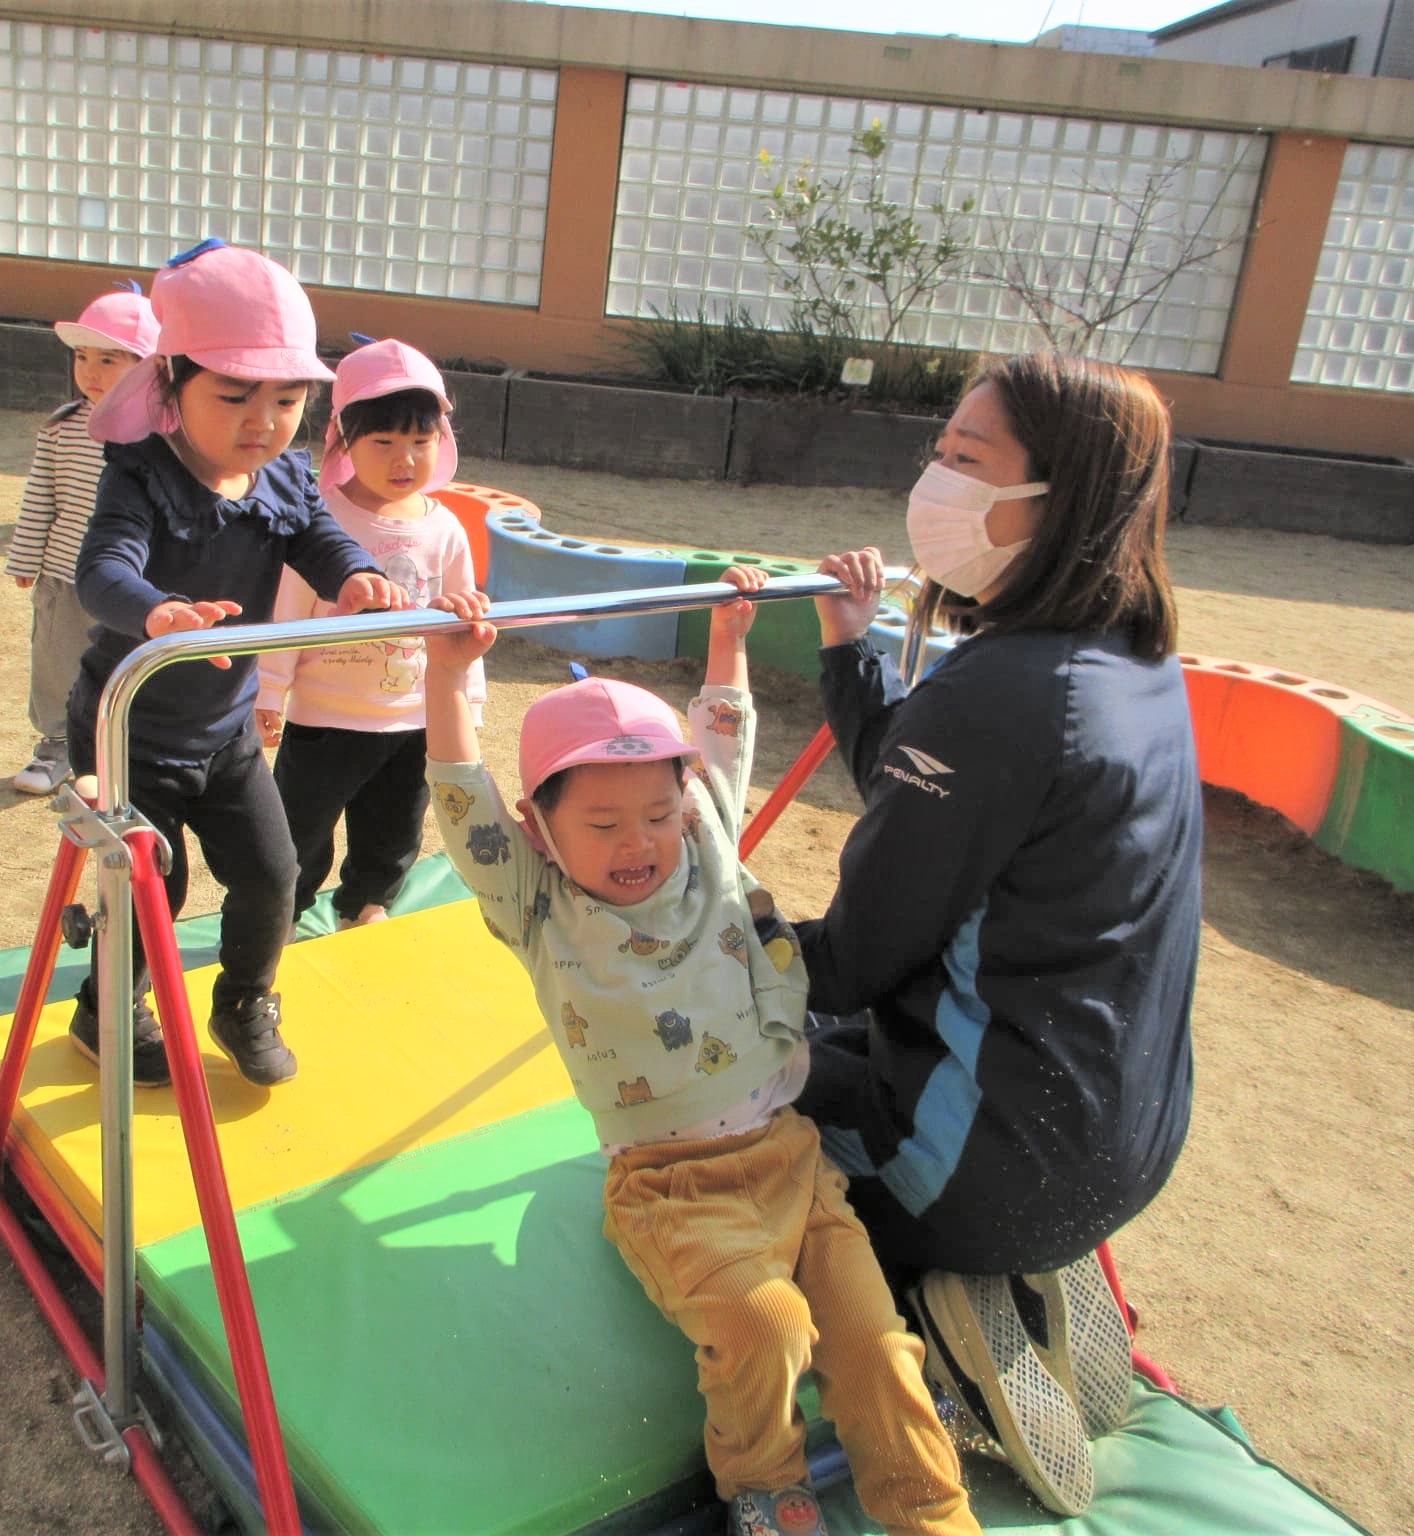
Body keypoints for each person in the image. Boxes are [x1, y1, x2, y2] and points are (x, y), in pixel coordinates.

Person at [424, 574, 981, 1536]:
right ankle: (764, 1483)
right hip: (670, 1185)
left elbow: (723, 732)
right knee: (767, 1323)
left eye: (656, 813)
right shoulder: (539, 905)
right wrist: (445, 678)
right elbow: (460, 798)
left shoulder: (706, 840)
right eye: (602, 825)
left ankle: (931, 1513)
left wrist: (730, 635)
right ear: (538, 829)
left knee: (876, 1346)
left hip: (791, 1156)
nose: (638, 842)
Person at [792, 353, 1202, 1516]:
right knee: (817, 1032)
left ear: (1057, 500)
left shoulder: (1001, 691)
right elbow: (938, 790)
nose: (934, 481)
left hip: (979, 1170)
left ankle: (934, 1290)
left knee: (714, 1079)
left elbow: (852, 959)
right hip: (1116, 1150)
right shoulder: (1133, 658)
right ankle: (1019, 1261)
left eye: (966, 461)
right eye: (938, 450)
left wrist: (685, 952)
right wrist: (849, 646)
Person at [64, 240, 407, 1090]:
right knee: (156, 887)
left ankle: (245, 1001)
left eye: (288, 400)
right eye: (234, 395)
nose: (264, 421)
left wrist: (355, 575)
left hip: (224, 733)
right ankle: (107, 1009)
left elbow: (318, 538)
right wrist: (157, 611)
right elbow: (101, 569)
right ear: (170, 385)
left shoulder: (282, 477)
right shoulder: (141, 475)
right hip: (129, 731)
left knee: (274, 871)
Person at [255, 339, 483, 929]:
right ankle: (282, 916)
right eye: (383, 442)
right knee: (298, 830)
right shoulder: (321, 518)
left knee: (394, 829)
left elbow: (464, 620)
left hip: (412, 719)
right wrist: (268, 691)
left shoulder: (446, 528)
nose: (404, 459)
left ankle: (366, 907)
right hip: (324, 720)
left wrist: (466, 702)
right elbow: (287, 613)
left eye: (420, 442)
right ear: (343, 439)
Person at [4, 283, 158, 794]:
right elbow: (40, 496)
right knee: (57, 658)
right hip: (64, 573)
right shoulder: (62, 427)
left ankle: (123, 751)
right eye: (82, 357)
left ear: (149, 366)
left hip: (134, 582)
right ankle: (55, 745)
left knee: (131, 665)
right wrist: (26, 557)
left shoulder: (162, 435)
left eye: (109, 359)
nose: (91, 371)